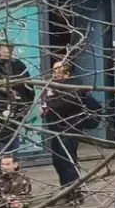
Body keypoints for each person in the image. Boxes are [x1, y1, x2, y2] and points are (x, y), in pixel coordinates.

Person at [38, 59, 90, 189]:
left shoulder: (74, 86)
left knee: (68, 160)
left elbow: (62, 105)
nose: (56, 73)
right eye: (54, 70)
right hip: (54, 128)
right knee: (58, 160)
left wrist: (49, 103)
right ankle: (65, 187)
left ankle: (74, 190)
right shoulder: (51, 85)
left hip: (69, 128)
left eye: (60, 70)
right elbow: (44, 101)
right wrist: (45, 104)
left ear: (67, 73)